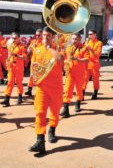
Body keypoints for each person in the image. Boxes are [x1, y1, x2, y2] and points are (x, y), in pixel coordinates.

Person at [28, 26, 63, 154]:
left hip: (55, 88)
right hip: (41, 88)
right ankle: (40, 140)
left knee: (54, 112)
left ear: (52, 37)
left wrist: (49, 48)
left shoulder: (58, 49)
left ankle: (52, 130)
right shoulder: (36, 50)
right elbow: (33, 67)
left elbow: (59, 59)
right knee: (40, 113)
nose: (45, 38)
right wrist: (33, 78)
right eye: (43, 35)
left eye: (48, 36)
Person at [60, 33, 88, 118]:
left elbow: (87, 59)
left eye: (75, 39)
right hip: (70, 73)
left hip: (80, 73)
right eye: (72, 39)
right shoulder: (68, 48)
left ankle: (78, 103)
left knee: (79, 90)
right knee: (67, 90)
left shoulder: (84, 48)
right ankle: (65, 109)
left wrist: (77, 59)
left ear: (80, 39)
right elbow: (63, 57)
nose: (73, 40)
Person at [0, 32, 26, 107]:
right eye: (12, 38)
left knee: (18, 82)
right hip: (11, 66)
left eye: (15, 38)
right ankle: (6, 99)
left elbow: (24, 57)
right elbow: (8, 53)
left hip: (19, 66)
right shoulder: (11, 45)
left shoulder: (22, 46)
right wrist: (8, 61)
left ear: (19, 38)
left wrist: (16, 55)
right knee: (10, 82)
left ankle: (20, 95)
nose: (13, 40)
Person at [82, 30, 103, 100]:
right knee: (84, 79)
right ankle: (82, 94)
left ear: (95, 34)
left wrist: (90, 49)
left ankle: (95, 93)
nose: (89, 36)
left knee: (95, 79)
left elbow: (97, 55)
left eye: (91, 34)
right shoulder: (87, 42)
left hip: (94, 65)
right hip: (86, 64)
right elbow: (82, 53)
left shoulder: (99, 43)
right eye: (88, 34)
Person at [25, 29, 43, 96]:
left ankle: (41, 91)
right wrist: (29, 50)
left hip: (40, 62)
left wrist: (36, 48)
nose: (37, 36)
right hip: (33, 61)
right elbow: (28, 52)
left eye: (39, 35)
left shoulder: (44, 42)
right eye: (36, 35)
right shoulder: (33, 41)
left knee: (41, 77)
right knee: (31, 75)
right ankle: (29, 90)